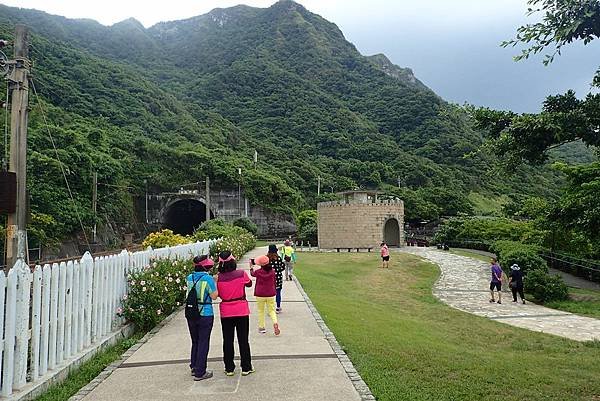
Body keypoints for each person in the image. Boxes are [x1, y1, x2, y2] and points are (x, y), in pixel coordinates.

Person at [216, 250, 254, 376]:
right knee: (243, 339)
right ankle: (246, 367)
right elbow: (249, 284)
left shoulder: (218, 277)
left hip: (226, 310)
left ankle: (229, 367)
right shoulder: (241, 274)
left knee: (227, 340)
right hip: (241, 309)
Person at [186, 255, 218, 381]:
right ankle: (201, 372)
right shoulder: (208, 279)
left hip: (191, 312)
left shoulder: (190, 277)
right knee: (204, 342)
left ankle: (194, 366)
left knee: (195, 341)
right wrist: (215, 282)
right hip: (205, 313)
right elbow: (214, 296)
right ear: (206, 266)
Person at [250, 255, 281, 335]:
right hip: (270, 293)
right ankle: (275, 323)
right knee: (271, 310)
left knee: (261, 311)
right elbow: (274, 281)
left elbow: (252, 274)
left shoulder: (258, 272)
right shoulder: (272, 271)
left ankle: (262, 327)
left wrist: (251, 267)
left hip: (260, 294)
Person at [267, 244, 286, 313]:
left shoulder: (267, 258)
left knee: (270, 294)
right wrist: (278, 270)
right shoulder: (278, 258)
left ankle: (270, 309)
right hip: (278, 278)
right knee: (278, 292)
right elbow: (283, 266)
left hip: (269, 278)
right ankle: (278, 307)